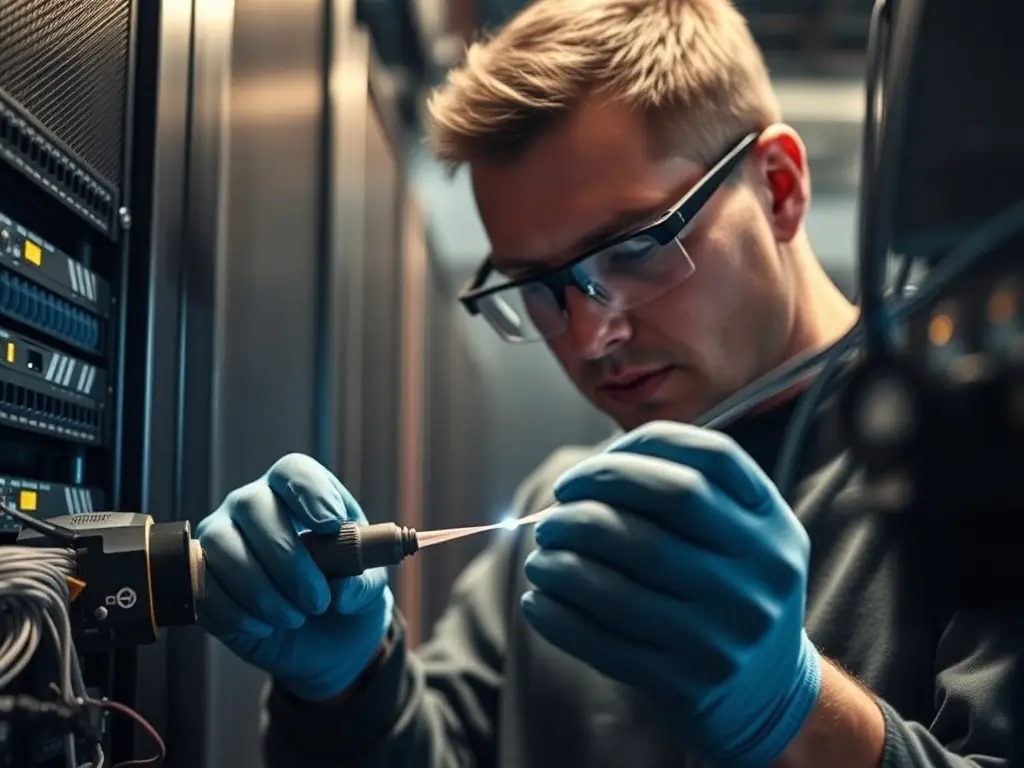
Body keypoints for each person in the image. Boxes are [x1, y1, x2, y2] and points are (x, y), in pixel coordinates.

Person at [195, 1, 1019, 765]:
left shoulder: (981, 463)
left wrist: (793, 711)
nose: (591, 336)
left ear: (779, 187)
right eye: (537, 286)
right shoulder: (561, 509)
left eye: (635, 249)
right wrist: (349, 684)